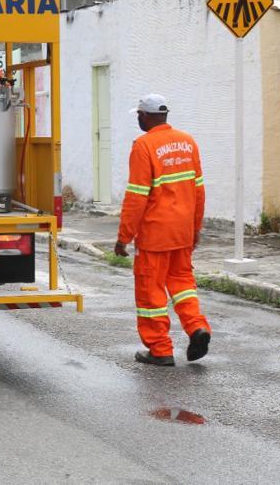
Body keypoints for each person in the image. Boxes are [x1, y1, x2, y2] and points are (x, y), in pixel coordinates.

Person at [115, 94, 211, 366]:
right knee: (183, 285)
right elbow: (199, 191)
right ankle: (197, 328)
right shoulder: (188, 142)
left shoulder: (143, 145)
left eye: (138, 115)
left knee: (151, 292)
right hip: (182, 232)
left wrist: (124, 237)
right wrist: (195, 229)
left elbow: (136, 197)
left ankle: (160, 349)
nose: (137, 119)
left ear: (145, 116)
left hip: (155, 235)